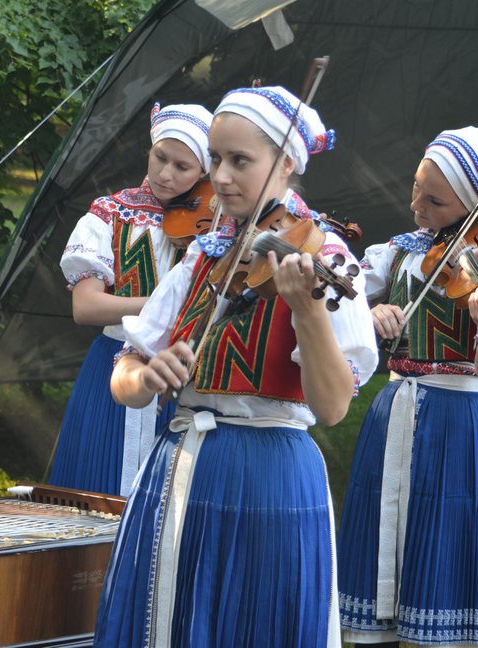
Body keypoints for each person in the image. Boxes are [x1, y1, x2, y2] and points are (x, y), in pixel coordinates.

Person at [94, 86, 378, 647]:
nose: (219, 177)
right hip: (182, 468)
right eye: (216, 158)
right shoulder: (202, 255)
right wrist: (146, 378)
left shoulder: (327, 259)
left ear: (288, 163)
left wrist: (308, 311)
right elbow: (123, 374)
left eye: (239, 161)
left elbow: (333, 406)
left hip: (273, 476)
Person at [337, 127, 478, 647]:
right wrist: (366, 309)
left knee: (444, 535)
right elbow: (340, 292)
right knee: (385, 531)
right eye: (416, 187)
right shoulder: (398, 252)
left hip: (462, 423)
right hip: (394, 409)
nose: (415, 204)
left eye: (434, 199)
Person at [48, 101, 213, 497]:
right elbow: (85, 307)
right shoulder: (110, 214)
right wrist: (160, 305)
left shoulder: (217, 228)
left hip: (184, 375)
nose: (165, 174)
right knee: (98, 490)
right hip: (112, 367)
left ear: (206, 173)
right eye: (161, 158)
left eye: (183, 167)